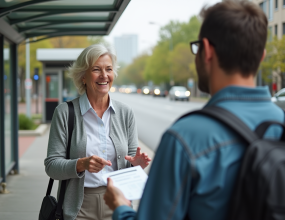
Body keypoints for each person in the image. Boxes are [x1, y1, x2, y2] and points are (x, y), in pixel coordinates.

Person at [103, 1, 285, 220]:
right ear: (261, 56)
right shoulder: (280, 123)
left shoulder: (185, 139)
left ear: (206, 50)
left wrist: (121, 207)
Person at [44, 44, 151, 220]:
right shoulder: (64, 112)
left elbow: (130, 162)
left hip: (118, 202)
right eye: (96, 69)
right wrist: (81, 164)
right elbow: (51, 166)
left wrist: (136, 165)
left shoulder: (125, 113)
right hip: (79, 207)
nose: (104, 76)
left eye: (108, 69)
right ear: (83, 76)